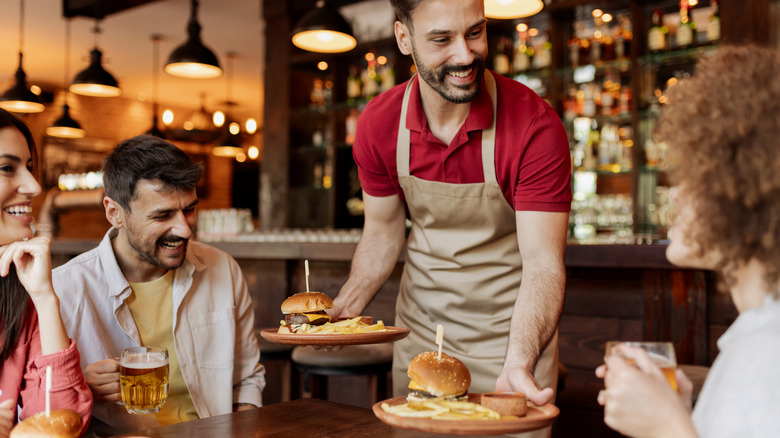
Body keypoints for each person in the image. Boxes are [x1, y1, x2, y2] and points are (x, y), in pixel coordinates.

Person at [329, 0, 571, 427]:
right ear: (404, 39)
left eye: (475, 32)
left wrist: (518, 361)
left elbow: (543, 265)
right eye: (441, 39)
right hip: (424, 341)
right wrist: (342, 312)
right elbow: (383, 234)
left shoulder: (533, 125)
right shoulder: (379, 125)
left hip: (511, 341)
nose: (464, 55)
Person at [596, 45, 780, 437]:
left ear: (745, 189)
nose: (676, 194)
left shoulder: (768, 351)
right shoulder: (757, 332)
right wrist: (683, 414)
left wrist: (667, 427)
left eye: (695, 174)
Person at [52, 135, 265, 436]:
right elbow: (38, 407)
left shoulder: (223, 269)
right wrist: (81, 390)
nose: (184, 228)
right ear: (114, 213)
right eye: (163, 215)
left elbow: (247, 379)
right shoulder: (64, 290)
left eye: (189, 209)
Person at [0, 108, 92, 437]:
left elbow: (62, 421)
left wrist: (44, 298)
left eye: (29, 168)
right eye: (7, 168)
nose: (34, 186)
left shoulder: (20, 294)